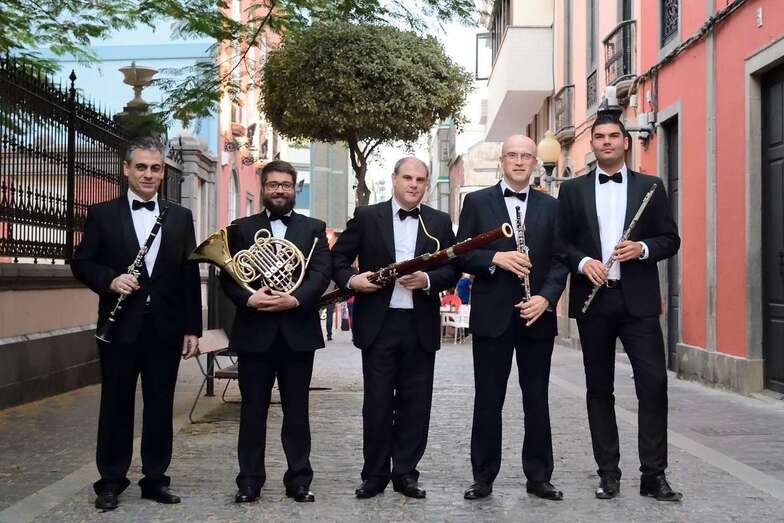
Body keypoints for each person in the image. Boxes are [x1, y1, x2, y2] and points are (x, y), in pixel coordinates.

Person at [71, 136, 202, 511]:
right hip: (119, 328)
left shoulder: (180, 216)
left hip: (166, 327)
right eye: (141, 167)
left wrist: (193, 327)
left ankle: (156, 479)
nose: (148, 174)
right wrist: (110, 280)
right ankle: (110, 481)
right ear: (126, 169)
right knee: (115, 405)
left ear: (163, 173)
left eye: (155, 168)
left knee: (161, 406)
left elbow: (188, 275)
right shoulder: (102, 214)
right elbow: (82, 262)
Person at [557, 114, 682, 501]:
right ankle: (608, 473)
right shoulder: (573, 190)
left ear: (626, 142)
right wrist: (582, 263)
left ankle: (653, 475)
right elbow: (560, 244)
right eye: (600, 137)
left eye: (613, 136)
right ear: (592, 144)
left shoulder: (651, 186)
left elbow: (670, 240)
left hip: (638, 299)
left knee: (654, 386)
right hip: (594, 298)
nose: (607, 142)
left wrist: (641, 249)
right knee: (599, 389)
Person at [332, 157, 460, 499]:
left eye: (420, 179)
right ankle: (374, 474)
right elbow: (338, 260)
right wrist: (353, 280)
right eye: (407, 177)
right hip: (379, 324)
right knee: (376, 403)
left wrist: (428, 279)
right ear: (394, 179)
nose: (413, 184)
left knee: (415, 404)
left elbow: (453, 269)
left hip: (419, 325)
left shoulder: (439, 220)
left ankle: (406, 473)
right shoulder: (366, 217)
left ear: (427, 184)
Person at [456, 134, 568, 501]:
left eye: (526, 156)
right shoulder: (477, 202)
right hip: (493, 316)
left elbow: (560, 260)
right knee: (488, 399)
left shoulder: (552, 206)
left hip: (536, 315)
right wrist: (494, 259)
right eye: (512, 156)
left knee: (536, 398)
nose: (519, 162)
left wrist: (546, 299)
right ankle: (483, 477)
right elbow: (460, 255)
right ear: (502, 161)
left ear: (535, 162)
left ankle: (539, 477)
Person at [219, 160, 331, 504]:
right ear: (264, 188)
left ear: (295, 188)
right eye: (273, 184)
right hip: (255, 331)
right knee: (252, 410)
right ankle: (249, 481)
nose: (279, 190)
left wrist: (294, 299)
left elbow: (320, 273)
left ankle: (298, 479)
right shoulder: (241, 228)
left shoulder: (314, 228)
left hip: (297, 331)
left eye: (286, 184)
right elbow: (229, 275)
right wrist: (251, 298)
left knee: (297, 411)